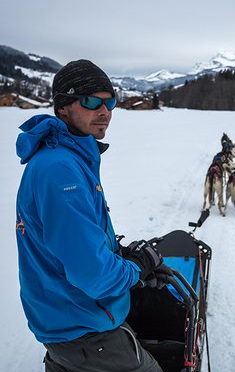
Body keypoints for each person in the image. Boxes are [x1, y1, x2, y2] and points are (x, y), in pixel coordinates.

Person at [15, 59, 168, 372]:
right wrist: (136, 268)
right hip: (85, 330)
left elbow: (74, 244)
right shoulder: (61, 172)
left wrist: (120, 255)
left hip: (66, 322)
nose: (105, 111)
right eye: (90, 101)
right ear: (62, 108)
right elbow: (94, 277)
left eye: (109, 101)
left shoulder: (66, 158)